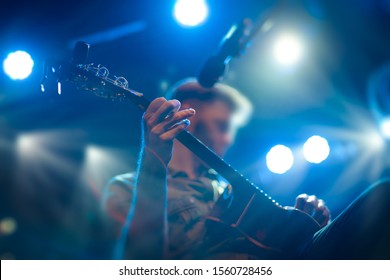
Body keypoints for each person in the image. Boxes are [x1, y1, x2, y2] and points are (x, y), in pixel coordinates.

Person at [102, 78, 390, 260]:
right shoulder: (125, 187)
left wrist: (302, 226)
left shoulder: (228, 190)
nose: (228, 139)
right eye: (223, 126)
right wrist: (153, 161)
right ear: (188, 111)